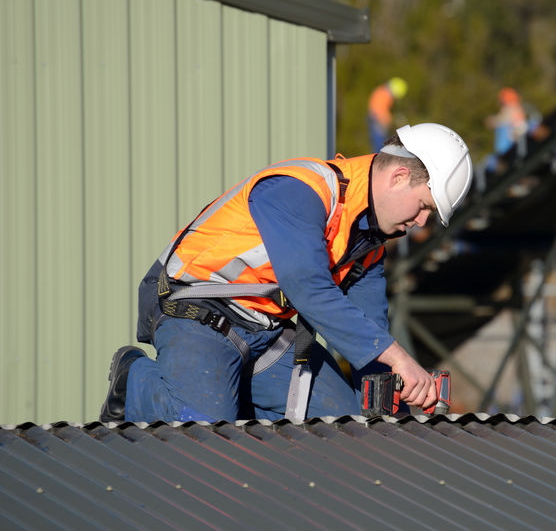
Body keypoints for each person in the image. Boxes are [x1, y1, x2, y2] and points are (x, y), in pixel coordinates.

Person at [100, 122, 473, 423]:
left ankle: (227, 396)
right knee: (202, 435)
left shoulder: (369, 245)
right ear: (398, 177)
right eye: (424, 206)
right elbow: (308, 290)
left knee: (343, 430)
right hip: (195, 310)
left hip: (266, 333)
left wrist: (384, 413)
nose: (421, 223)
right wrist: (402, 360)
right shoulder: (297, 190)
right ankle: (133, 378)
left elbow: (369, 332)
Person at [368, 77, 408, 153]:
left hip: (378, 121)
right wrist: (384, 122)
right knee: (380, 148)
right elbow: (377, 111)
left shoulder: (383, 93)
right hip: (377, 122)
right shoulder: (382, 95)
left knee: (382, 147)